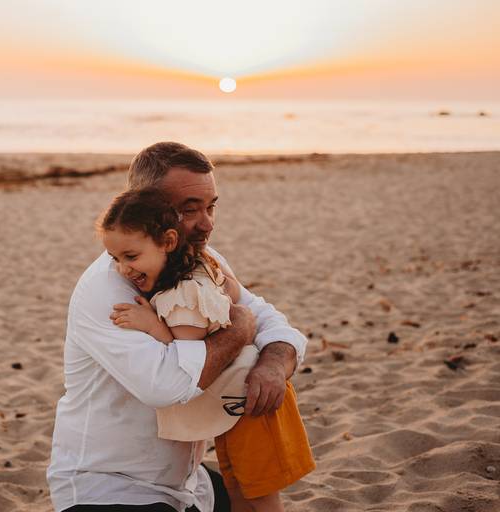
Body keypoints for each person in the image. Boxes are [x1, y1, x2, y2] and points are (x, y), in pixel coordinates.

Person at [48, 142, 311, 512]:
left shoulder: (204, 262)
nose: (207, 224)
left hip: (188, 487)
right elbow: (167, 386)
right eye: (190, 210)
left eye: (211, 206)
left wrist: (272, 366)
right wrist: (239, 329)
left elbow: (277, 326)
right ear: (149, 209)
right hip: (111, 490)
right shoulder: (109, 288)